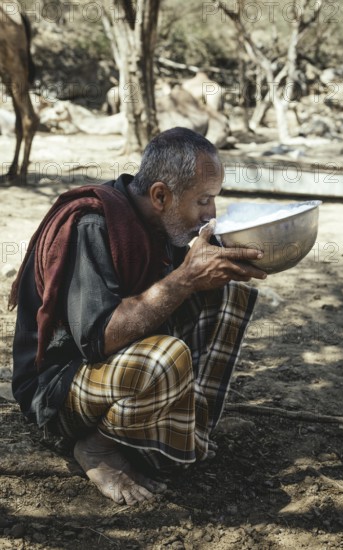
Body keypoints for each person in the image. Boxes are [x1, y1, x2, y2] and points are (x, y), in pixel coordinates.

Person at [10, 127, 267, 506]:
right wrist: (186, 278)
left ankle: (182, 436)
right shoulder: (93, 224)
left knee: (229, 291)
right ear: (160, 195)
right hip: (58, 388)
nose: (211, 213)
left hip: (108, 372)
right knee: (164, 358)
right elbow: (99, 338)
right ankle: (96, 448)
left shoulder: (162, 222)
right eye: (203, 200)